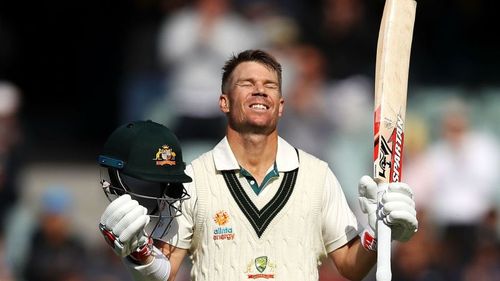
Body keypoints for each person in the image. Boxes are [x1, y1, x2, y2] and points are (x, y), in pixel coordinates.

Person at [98, 50, 418, 281]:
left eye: (270, 85)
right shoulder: (194, 178)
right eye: (247, 83)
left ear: (280, 106)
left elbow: (351, 266)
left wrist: (376, 235)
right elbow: (164, 271)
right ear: (224, 101)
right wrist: (138, 253)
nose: (260, 89)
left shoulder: (317, 175)